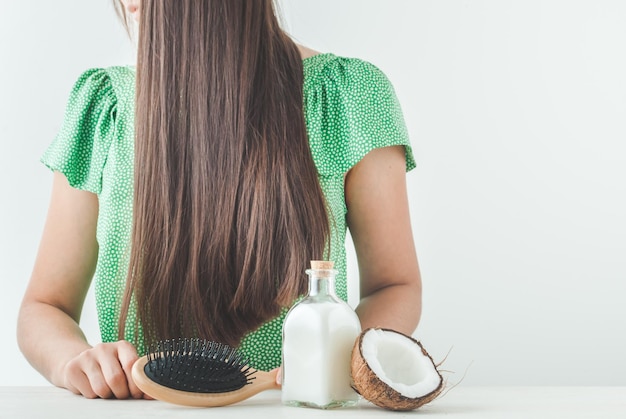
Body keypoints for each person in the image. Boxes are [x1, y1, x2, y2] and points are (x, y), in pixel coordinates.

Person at [17, 0, 422, 400]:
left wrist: (336, 362)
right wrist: (74, 361)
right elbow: (44, 306)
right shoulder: (103, 106)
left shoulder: (351, 97)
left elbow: (394, 285)